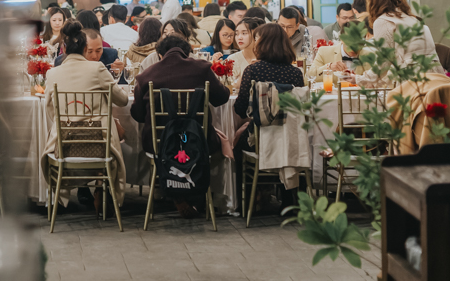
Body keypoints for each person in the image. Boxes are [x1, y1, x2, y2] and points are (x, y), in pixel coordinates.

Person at [130, 34, 230, 218]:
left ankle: (174, 192)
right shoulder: (202, 69)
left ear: (160, 55)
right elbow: (222, 98)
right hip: (199, 140)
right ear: (187, 53)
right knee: (219, 147)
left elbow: (137, 115)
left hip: (160, 144)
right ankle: (199, 194)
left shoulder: (146, 75)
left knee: (162, 150)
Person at [42, 22, 130, 207]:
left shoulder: (52, 73)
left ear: (64, 48)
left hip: (64, 145)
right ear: (84, 49)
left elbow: (50, 109)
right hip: (99, 145)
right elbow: (122, 100)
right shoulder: (97, 69)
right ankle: (102, 186)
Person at [232, 24, 306, 206]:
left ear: (263, 43)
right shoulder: (296, 73)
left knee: (236, 145)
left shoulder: (253, 71)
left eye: (257, 39)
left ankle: (247, 201)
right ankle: (287, 198)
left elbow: (240, 109)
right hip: (290, 142)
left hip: (260, 140)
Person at [346, 0, 444, 87]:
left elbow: (383, 64)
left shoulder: (383, 21)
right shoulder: (414, 19)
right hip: (436, 81)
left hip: (414, 85)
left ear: (374, 1)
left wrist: (359, 79)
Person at [225, 17, 266, 84]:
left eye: (244, 33)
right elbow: (230, 87)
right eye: (236, 34)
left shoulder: (266, 58)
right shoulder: (232, 60)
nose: (239, 37)